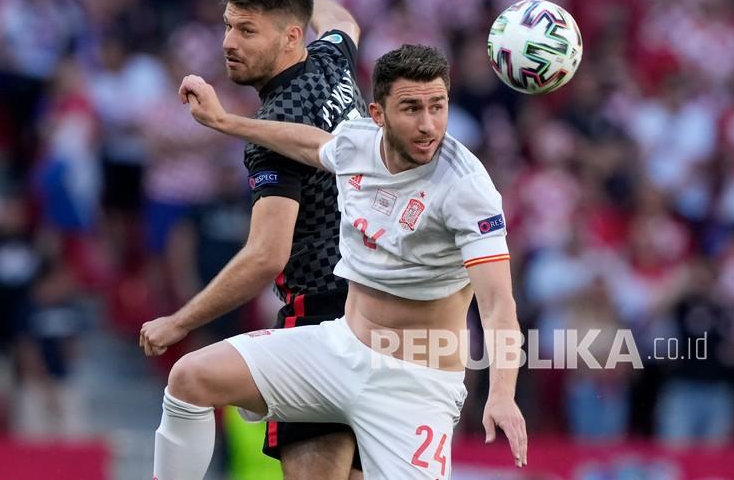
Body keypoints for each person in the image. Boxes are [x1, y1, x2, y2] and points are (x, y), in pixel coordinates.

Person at [152, 44, 528, 479]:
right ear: (378, 114)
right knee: (189, 379)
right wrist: (223, 121)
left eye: (437, 107)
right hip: (339, 350)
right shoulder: (359, 143)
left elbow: (500, 305)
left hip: (413, 387)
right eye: (411, 108)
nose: (428, 125)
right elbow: (316, 146)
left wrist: (502, 393)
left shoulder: (467, 189)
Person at [139, 0, 368, 479]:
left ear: (290, 37)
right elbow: (346, 24)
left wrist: (180, 321)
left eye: (246, 30)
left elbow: (267, 255)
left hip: (321, 321)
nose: (227, 43)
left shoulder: (274, 128)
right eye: (227, 26)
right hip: (376, 316)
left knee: (188, 381)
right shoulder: (332, 62)